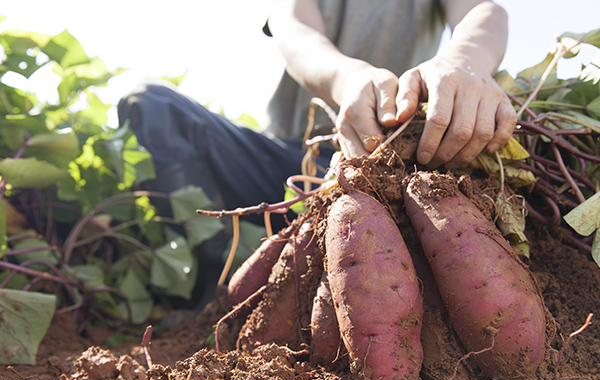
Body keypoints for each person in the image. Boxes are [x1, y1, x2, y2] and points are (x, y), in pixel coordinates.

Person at [118, 0, 517, 307]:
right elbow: (294, 30)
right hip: (288, 165)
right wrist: (348, 80)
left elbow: (483, 10)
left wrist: (465, 60)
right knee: (150, 104)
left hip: (384, 164)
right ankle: (215, 293)